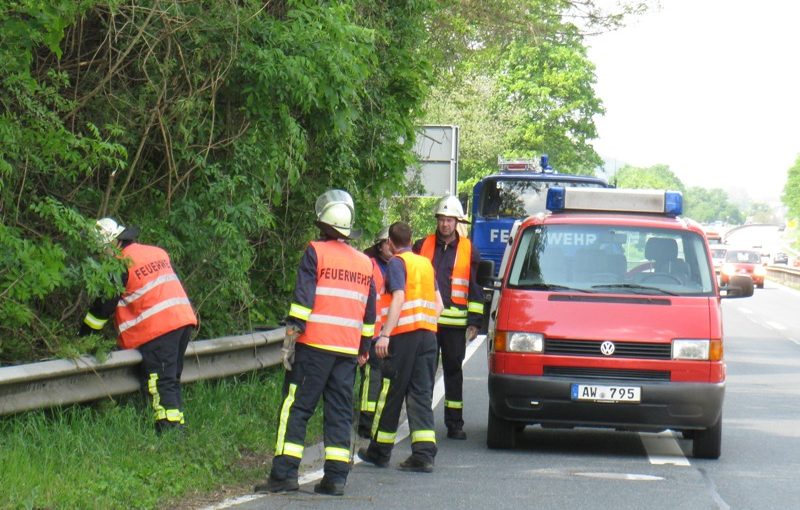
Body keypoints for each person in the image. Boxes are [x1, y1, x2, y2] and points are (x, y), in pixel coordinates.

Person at [255, 189, 376, 497]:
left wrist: (291, 339)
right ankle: (335, 478)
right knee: (338, 412)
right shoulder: (365, 263)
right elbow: (369, 310)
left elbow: (302, 302)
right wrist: (364, 347)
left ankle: (284, 474)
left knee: (296, 408)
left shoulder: (316, 252)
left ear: (323, 226)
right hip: (347, 351)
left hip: (314, 347)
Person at [80, 218, 197, 434]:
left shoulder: (119, 265)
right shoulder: (156, 252)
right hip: (182, 321)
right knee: (170, 379)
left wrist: (84, 337)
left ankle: (170, 432)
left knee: (160, 383)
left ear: (110, 244)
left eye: (101, 250)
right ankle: (177, 427)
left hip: (158, 329)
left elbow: (102, 309)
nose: (101, 256)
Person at [358, 221, 443, 473]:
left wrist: (385, 335)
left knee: (391, 392)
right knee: (420, 394)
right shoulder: (425, 264)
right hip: (428, 336)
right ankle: (424, 454)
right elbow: (439, 304)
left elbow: (398, 297)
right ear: (411, 239)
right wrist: (425, 323)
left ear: (391, 244)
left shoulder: (397, 262)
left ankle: (380, 451)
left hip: (404, 337)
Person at [413, 195, 484, 440]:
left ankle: (454, 424)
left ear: (457, 222)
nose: (445, 224)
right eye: (442, 219)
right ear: (437, 220)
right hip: (426, 322)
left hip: (455, 325)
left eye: (450, 220)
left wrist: (474, 320)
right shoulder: (422, 245)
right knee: (424, 372)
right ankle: (421, 423)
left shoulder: (468, 249)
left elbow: (475, 287)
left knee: (453, 371)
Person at [357, 226, 393, 438]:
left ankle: (376, 421)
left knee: (382, 379)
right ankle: (366, 422)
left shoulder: (397, 266)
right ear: (380, 246)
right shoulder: (370, 267)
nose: (391, 247)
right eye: (387, 243)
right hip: (373, 332)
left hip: (388, 333)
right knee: (372, 377)